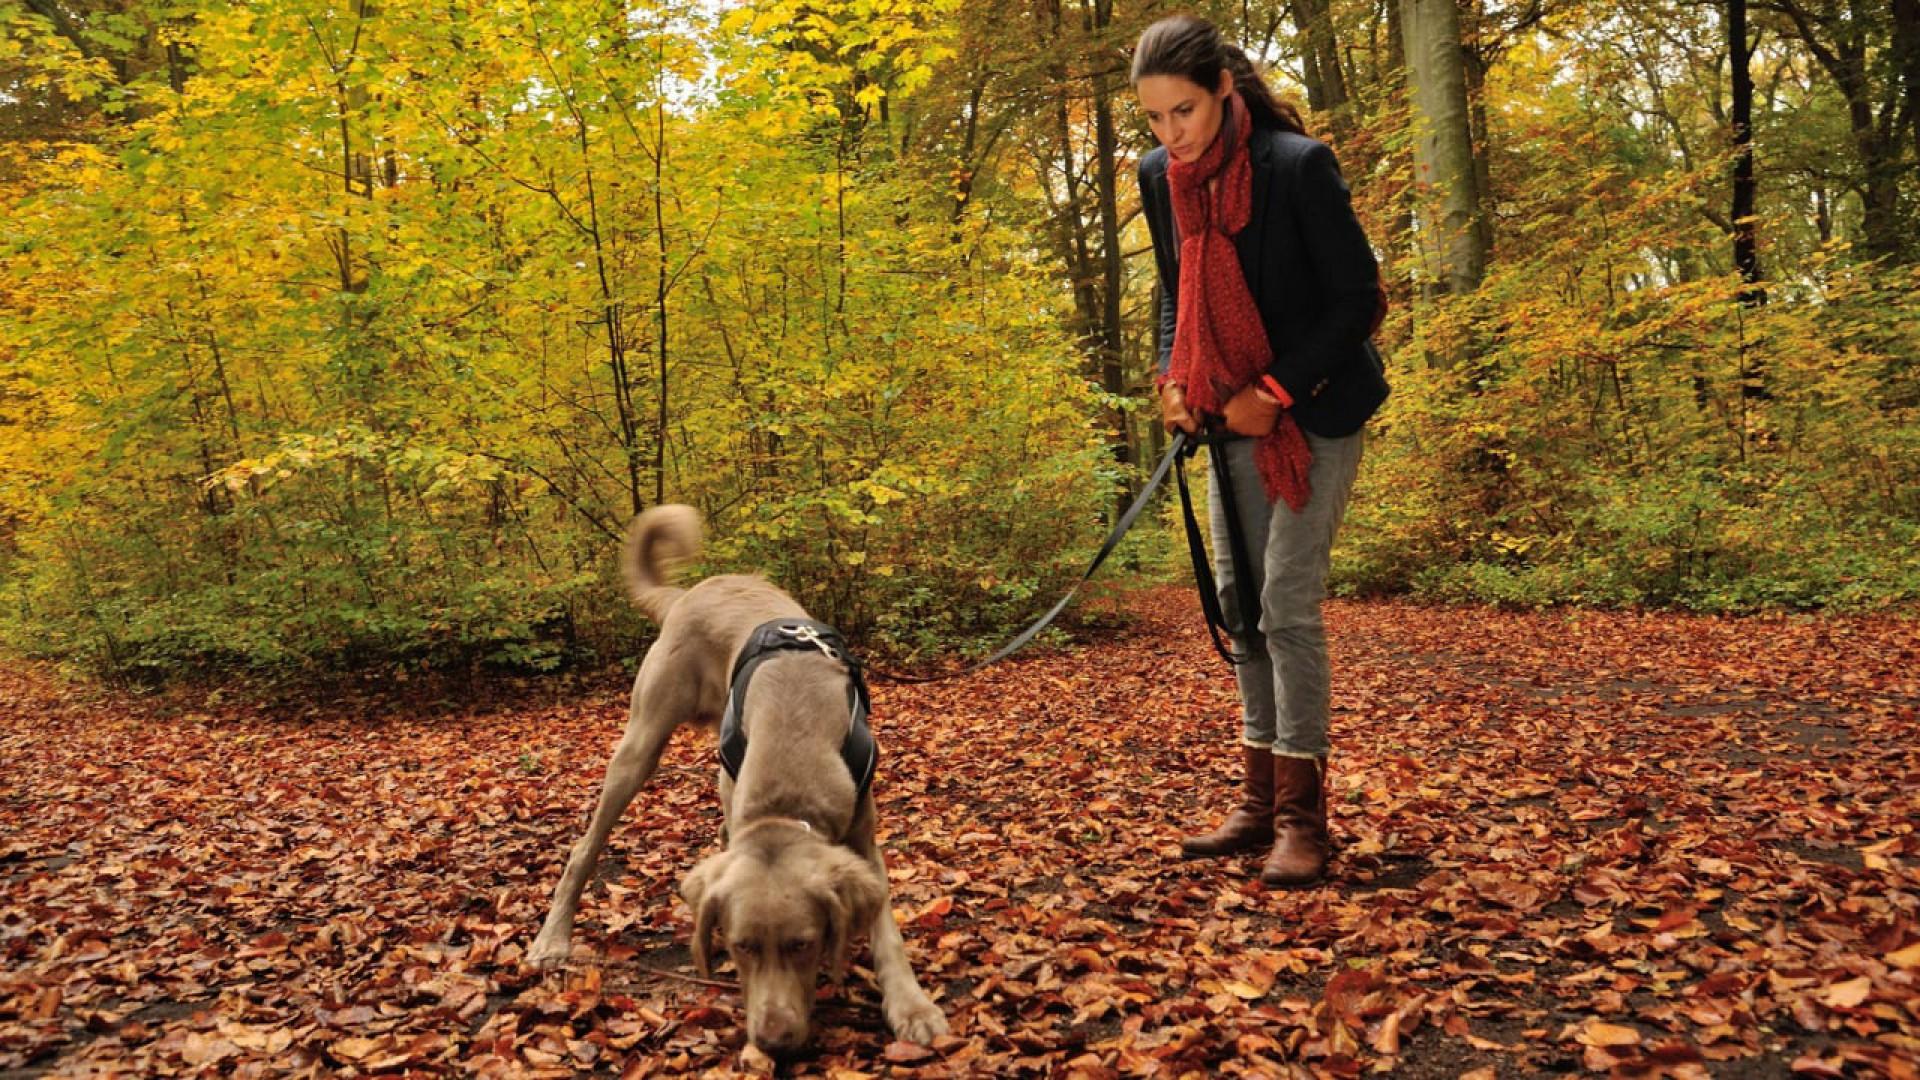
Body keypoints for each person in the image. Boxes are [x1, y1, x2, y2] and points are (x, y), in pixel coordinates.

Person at [1132, 14, 1388, 886]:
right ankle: (1255, 803)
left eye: (1186, 112)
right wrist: (1175, 377)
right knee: (1239, 601)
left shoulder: (1298, 168)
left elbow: (1358, 301)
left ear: (1224, 92)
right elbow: (1175, 293)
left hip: (1313, 408)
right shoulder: (1160, 176)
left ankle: (1302, 820)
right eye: (1156, 119)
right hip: (1219, 409)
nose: (1172, 135)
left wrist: (1274, 393)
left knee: (1284, 601)